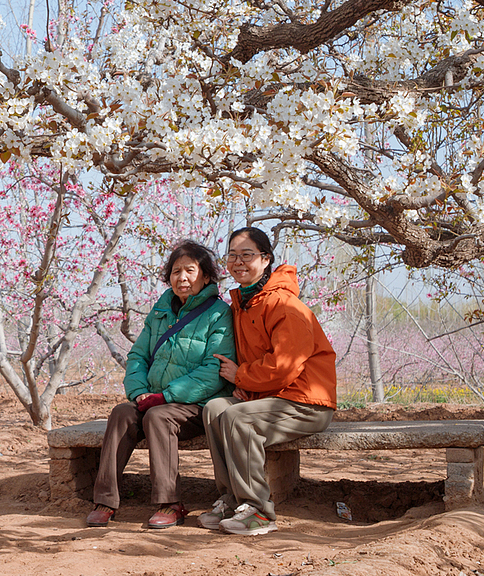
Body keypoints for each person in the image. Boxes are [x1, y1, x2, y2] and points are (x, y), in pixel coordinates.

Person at [86, 241, 235, 530]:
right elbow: (138, 356)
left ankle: (170, 503)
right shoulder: (160, 311)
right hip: (154, 398)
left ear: (206, 276)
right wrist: (139, 392)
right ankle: (105, 499)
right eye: (176, 271)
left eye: (190, 270)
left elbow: (213, 370)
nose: (182, 277)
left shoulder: (219, 314)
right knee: (122, 413)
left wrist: (166, 396)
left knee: (158, 416)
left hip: (195, 406)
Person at [201, 226, 337, 536]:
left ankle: (259, 511)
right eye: (232, 255)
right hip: (269, 398)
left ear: (265, 260)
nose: (238, 262)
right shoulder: (243, 304)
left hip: (306, 402)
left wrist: (241, 376)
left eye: (247, 255)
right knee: (214, 409)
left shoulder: (285, 305)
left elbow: (284, 367)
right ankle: (232, 500)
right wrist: (243, 384)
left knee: (238, 418)